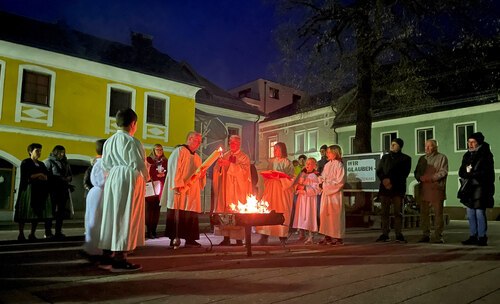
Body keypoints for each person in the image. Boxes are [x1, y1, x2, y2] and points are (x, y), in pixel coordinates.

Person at [98, 108, 148, 272]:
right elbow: (139, 163)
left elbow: (105, 164)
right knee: (126, 215)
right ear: (133, 124)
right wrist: (147, 179)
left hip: (113, 176)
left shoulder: (109, 141)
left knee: (111, 215)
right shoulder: (132, 141)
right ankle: (120, 258)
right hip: (129, 178)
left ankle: (106, 253)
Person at [161, 131, 206, 248]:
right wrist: (178, 184)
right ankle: (174, 237)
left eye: (200, 142)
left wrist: (202, 175)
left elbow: (199, 174)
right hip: (180, 188)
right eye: (197, 141)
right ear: (189, 139)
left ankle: (190, 239)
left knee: (190, 213)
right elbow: (174, 168)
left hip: (192, 190)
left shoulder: (197, 157)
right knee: (177, 211)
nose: (199, 144)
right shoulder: (179, 151)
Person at [213, 135, 252, 246]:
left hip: (237, 190)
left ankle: (238, 239)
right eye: (230, 142)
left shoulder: (244, 157)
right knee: (225, 213)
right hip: (225, 189)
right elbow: (217, 171)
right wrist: (220, 166)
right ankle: (226, 238)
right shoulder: (225, 155)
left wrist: (230, 165)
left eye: (234, 143)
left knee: (236, 213)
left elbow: (244, 173)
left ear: (239, 144)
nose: (232, 144)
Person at [458, 132, 495, 246]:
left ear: (479, 142)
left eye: (473, 142)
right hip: (469, 188)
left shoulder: (486, 154)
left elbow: (486, 173)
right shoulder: (467, 155)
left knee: (479, 213)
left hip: (481, 188)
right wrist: (468, 173)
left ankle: (482, 237)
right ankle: (473, 235)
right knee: (470, 214)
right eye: (469, 142)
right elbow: (461, 171)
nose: (470, 144)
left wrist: (471, 173)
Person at [256, 142, 295, 245]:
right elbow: (267, 174)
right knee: (267, 210)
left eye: (277, 149)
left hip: (282, 190)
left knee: (281, 210)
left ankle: (282, 236)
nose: (275, 151)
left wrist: (280, 177)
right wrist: (269, 176)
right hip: (271, 189)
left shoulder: (287, 163)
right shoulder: (271, 162)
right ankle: (264, 235)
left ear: (282, 150)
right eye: (274, 149)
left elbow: (291, 178)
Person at [376, 138, 412, 243]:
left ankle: (398, 234)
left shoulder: (406, 159)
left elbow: (404, 173)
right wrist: (384, 180)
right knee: (384, 212)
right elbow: (379, 170)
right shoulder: (385, 158)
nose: (392, 146)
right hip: (385, 188)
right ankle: (385, 234)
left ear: (400, 146)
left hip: (397, 188)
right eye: (391, 144)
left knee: (398, 212)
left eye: (394, 144)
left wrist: (391, 181)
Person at [14, 143, 52, 241]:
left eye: (40, 151)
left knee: (36, 213)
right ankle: (21, 233)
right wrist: (38, 174)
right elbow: (27, 176)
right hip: (28, 191)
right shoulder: (26, 162)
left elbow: (46, 176)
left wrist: (41, 176)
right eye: (37, 151)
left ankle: (32, 233)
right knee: (24, 213)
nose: (39, 153)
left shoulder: (42, 164)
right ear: (30, 151)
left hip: (39, 191)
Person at [414, 139, 448, 243]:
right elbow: (417, 172)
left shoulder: (442, 157)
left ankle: (438, 236)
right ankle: (425, 234)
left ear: (435, 147)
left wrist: (431, 178)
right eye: (425, 146)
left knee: (438, 214)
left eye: (429, 146)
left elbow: (443, 172)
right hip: (424, 189)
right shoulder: (422, 159)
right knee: (424, 214)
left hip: (436, 190)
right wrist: (419, 177)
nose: (427, 148)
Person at [82, 139, 107, 259]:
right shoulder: (102, 163)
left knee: (93, 220)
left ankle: (92, 247)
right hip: (100, 193)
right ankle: (94, 249)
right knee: (96, 221)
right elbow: (101, 180)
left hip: (96, 193)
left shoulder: (100, 162)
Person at [318, 145, 346, 245]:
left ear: (335, 153)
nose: (327, 154)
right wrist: (320, 182)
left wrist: (326, 184)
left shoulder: (339, 165)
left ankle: (338, 237)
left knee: (335, 216)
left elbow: (340, 181)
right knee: (325, 214)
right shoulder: (327, 165)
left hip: (335, 195)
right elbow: (322, 177)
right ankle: (327, 235)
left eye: (329, 152)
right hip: (326, 194)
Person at [44, 145, 73, 239]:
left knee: (61, 212)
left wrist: (69, 178)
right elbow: (47, 176)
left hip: (63, 190)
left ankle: (58, 231)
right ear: (55, 152)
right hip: (53, 190)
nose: (62, 154)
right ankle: (48, 232)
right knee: (50, 211)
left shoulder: (66, 163)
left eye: (63, 152)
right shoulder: (49, 162)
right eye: (60, 152)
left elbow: (70, 174)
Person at [292, 157, 321, 244]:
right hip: (301, 199)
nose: (307, 165)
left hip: (309, 200)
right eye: (306, 163)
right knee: (301, 215)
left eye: (310, 164)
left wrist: (304, 187)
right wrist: (297, 187)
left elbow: (317, 189)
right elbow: (296, 184)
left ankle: (310, 236)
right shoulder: (302, 174)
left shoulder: (315, 176)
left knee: (309, 216)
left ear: (314, 166)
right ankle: (302, 234)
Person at [145, 144, 168, 239]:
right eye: (157, 149)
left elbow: (168, 171)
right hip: (151, 187)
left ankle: (154, 230)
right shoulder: (149, 160)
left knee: (156, 211)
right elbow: (147, 171)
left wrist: (164, 173)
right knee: (149, 210)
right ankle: (149, 230)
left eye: (161, 149)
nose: (159, 151)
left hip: (160, 187)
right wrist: (155, 174)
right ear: (153, 150)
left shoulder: (165, 161)